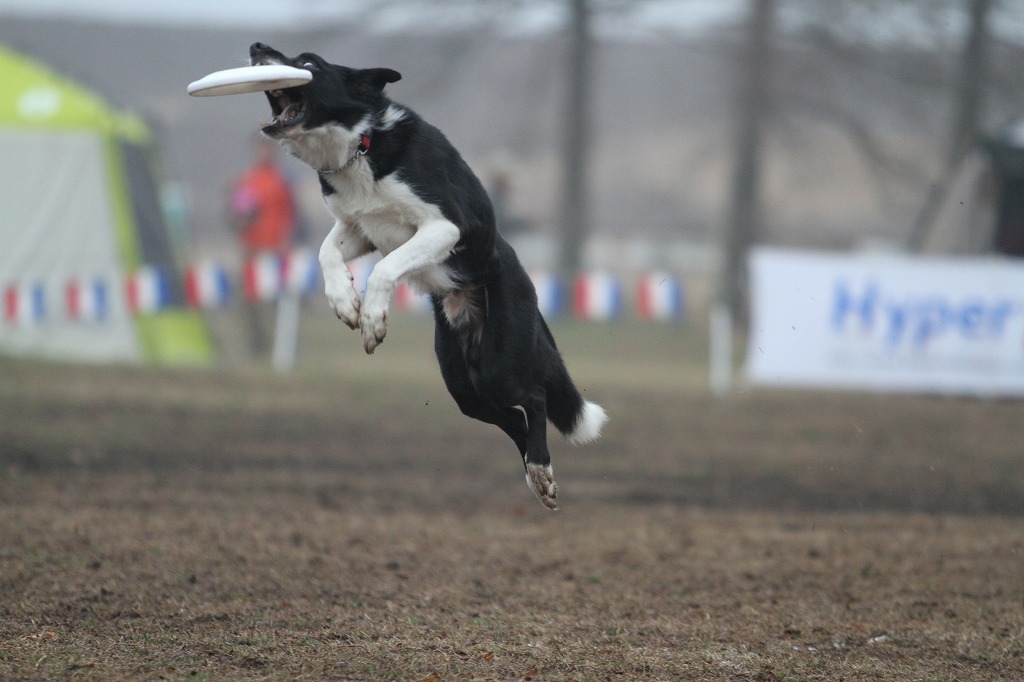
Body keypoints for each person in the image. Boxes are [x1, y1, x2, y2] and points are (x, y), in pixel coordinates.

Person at [229, 136, 298, 358]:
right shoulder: (247, 180)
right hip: (251, 249)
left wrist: (285, 244)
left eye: (268, 150)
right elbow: (239, 216)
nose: (264, 154)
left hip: (274, 250)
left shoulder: (282, 181)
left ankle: (277, 346)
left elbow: (291, 216)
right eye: (260, 150)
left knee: (273, 302)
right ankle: (254, 345)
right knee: (248, 300)